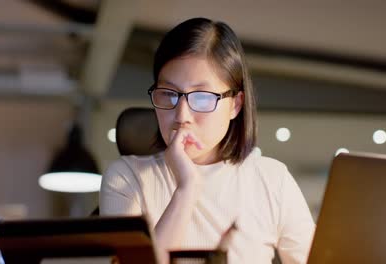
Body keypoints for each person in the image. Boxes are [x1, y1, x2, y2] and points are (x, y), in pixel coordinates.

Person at [100, 17, 315, 264]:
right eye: (169, 94)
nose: (182, 116)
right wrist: (187, 188)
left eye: (202, 98)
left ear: (235, 104)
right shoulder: (127, 178)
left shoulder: (272, 179)